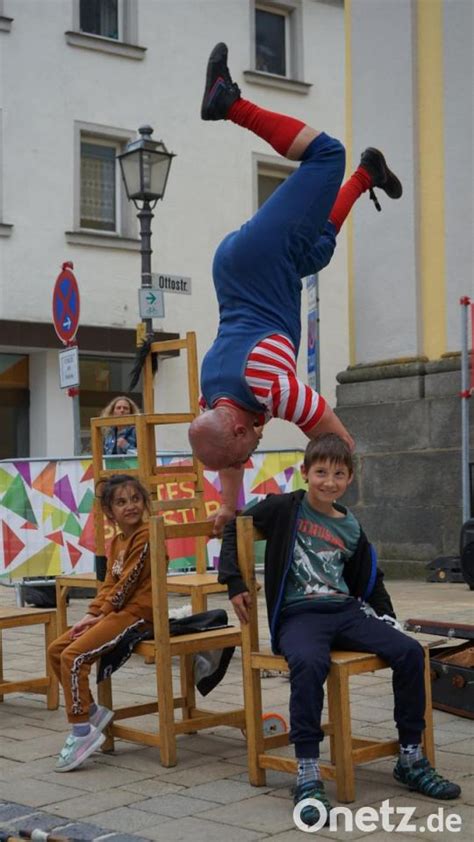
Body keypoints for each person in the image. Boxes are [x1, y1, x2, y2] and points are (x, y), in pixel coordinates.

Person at [188, 44, 403, 535]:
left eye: (249, 447)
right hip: (257, 272)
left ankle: (228, 102)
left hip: (255, 263)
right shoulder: (217, 403)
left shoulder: (274, 389)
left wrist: (324, 499)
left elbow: (337, 438)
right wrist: (228, 504)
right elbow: (228, 456)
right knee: (317, 251)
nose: (251, 453)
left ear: (241, 429)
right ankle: (368, 173)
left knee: (325, 153)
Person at [218, 434, 461, 827]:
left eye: (338, 474)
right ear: (305, 473)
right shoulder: (285, 508)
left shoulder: (350, 525)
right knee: (310, 663)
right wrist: (234, 582)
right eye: (320, 473)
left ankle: (411, 757)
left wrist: (387, 618)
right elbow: (234, 528)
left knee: (411, 652)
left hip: (346, 613)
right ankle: (308, 772)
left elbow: (370, 577)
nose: (328, 481)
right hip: (300, 617)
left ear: (349, 479)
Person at [48, 474, 152, 772]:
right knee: (57, 649)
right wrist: (92, 613)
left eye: (135, 499)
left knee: (73, 656)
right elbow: (109, 583)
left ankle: (81, 731)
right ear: (110, 513)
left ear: (144, 502)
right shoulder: (116, 541)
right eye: (121, 502)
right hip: (115, 612)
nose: (130, 506)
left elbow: (128, 583)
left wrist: (102, 614)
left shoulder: (146, 535)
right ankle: (92, 712)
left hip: (136, 615)